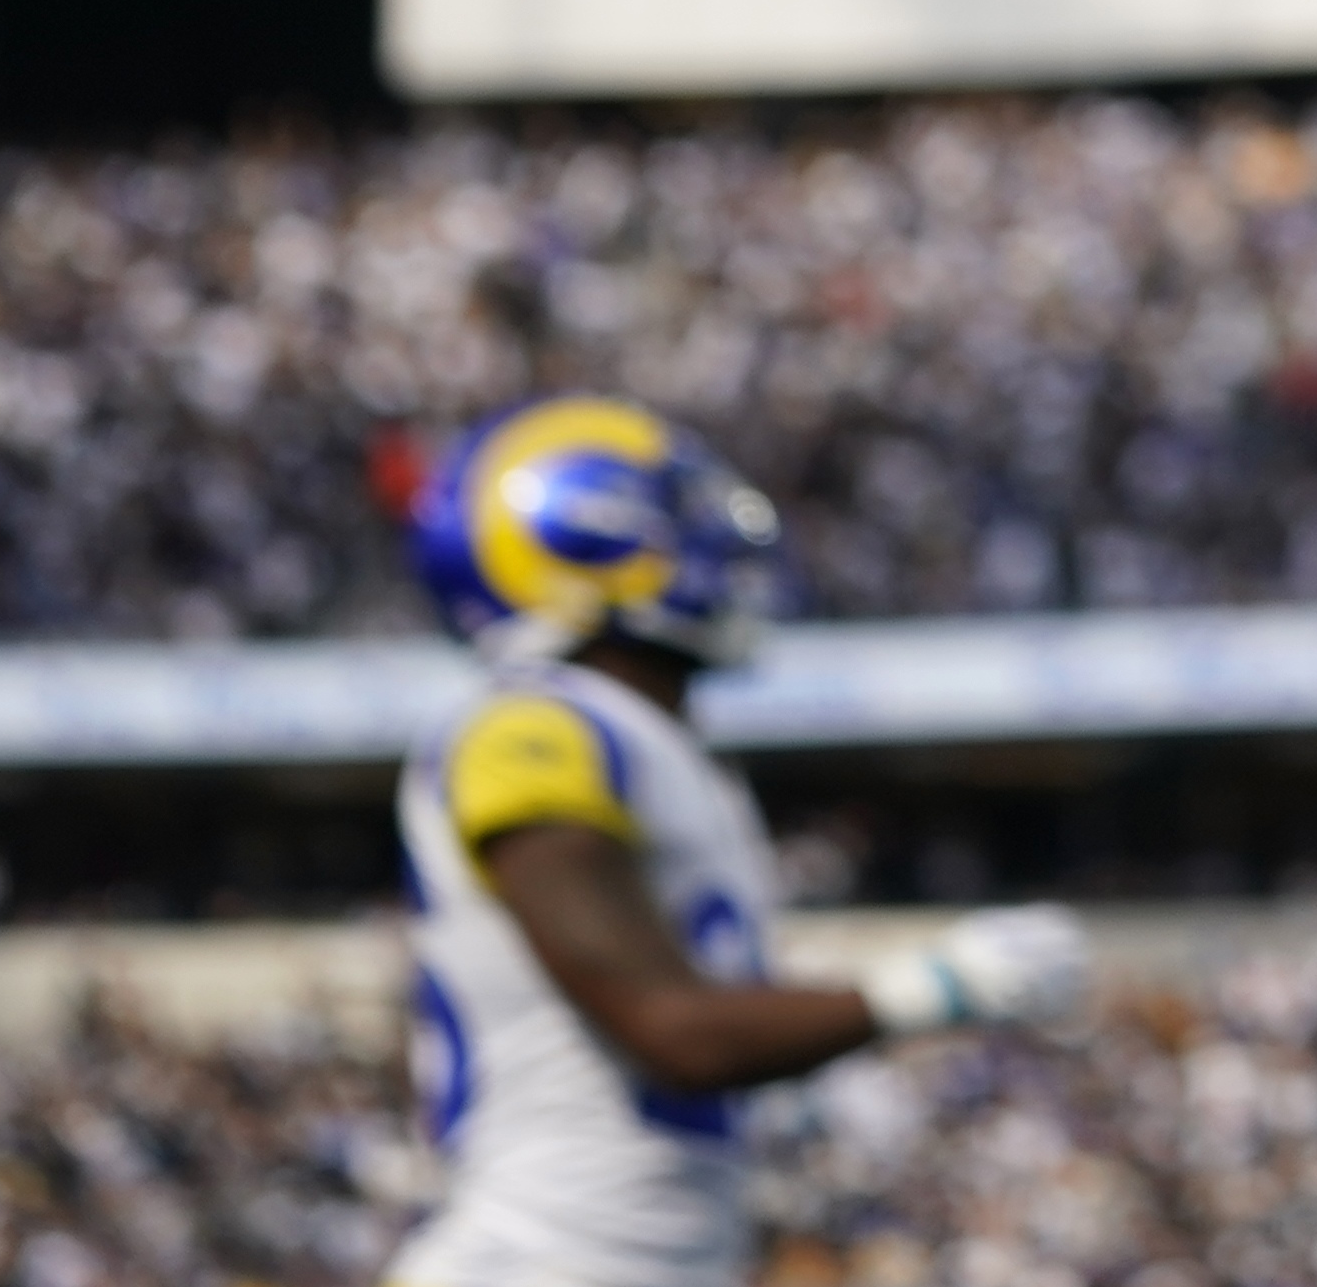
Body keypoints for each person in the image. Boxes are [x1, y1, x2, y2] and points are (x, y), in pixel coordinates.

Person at [390, 396, 1090, 1287]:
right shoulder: (536, 725)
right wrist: (931, 986)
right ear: (583, 536)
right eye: (673, 518)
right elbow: (675, 1031)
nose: (712, 547)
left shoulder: (652, 745)